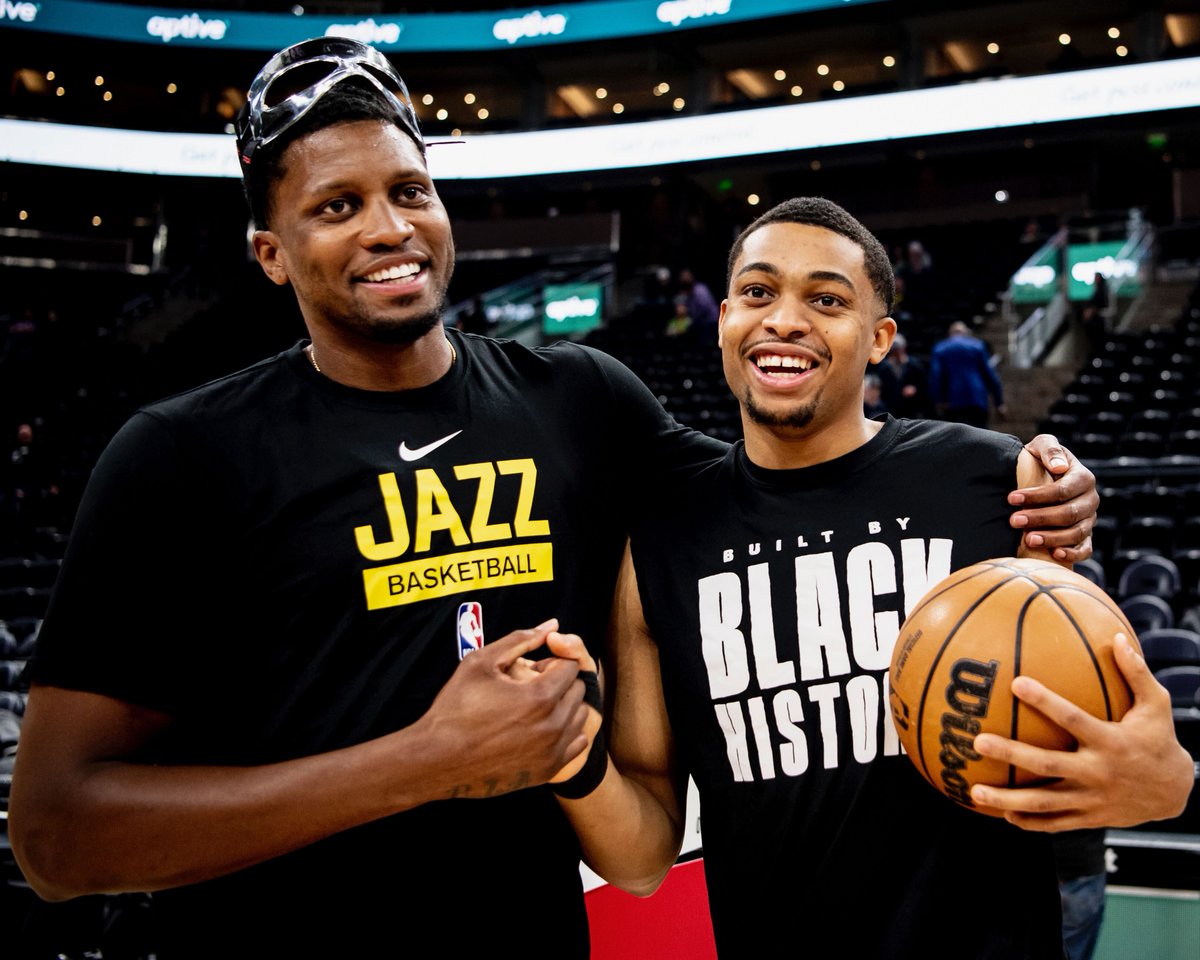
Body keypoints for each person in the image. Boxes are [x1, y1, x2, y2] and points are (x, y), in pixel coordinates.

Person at [9, 43, 1100, 956]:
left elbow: (784, 487)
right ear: (269, 253)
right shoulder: (177, 459)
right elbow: (57, 839)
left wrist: (1032, 480)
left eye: (409, 191)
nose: (388, 228)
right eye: (336, 207)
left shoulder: (579, 402)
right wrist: (422, 762)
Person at [551, 198, 1192, 958]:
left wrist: (1165, 783)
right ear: (723, 318)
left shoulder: (994, 481)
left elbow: (1115, 734)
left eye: (826, 299)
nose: (784, 319)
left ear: (881, 338)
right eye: (758, 292)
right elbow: (643, 859)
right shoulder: (660, 540)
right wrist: (572, 758)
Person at [930, 320, 1007, 426]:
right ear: (965, 333)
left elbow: (936, 376)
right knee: (980, 438)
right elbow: (990, 375)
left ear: (950, 333)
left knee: (955, 439)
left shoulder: (940, 348)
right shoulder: (977, 346)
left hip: (952, 402)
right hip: (977, 400)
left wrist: (938, 400)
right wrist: (999, 402)